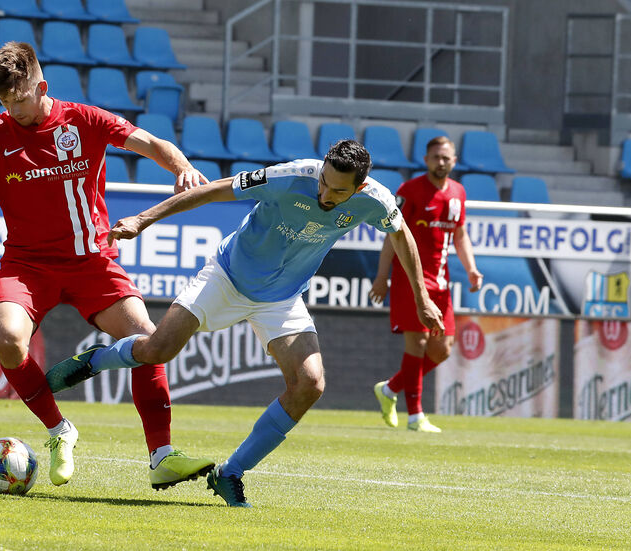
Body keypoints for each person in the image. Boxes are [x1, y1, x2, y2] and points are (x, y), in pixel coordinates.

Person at [44, 140, 444, 507]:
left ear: (359, 187)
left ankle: (230, 473)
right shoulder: (291, 176)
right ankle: (93, 361)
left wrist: (422, 297)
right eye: (324, 182)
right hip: (227, 277)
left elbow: (402, 235)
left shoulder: (376, 200)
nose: (325, 195)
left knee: (310, 384)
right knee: (156, 349)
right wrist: (143, 219)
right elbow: (215, 189)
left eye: (338, 192)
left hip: (282, 298)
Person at [0, 42, 214, 490]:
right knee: (7, 338)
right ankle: (59, 430)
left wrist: (181, 166)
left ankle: (162, 456)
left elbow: (151, 143)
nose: (12, 111)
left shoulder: (85, 120)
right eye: (4, 102)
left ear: (41, 87)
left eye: (19, 99)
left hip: (92, 262)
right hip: (28, 266)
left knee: (149, 339)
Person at [369, 136, 482, 433]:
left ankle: (390, 389)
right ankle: (415, 416)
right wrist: (382, 276)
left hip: (441, 282)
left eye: (446, 158)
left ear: (454, 161)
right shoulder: (410, 190)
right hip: (410, 278)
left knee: (442, 349)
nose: (440, 162)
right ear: (426, 160)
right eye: (435, 157)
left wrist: (471, 269)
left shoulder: (458, 192)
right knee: (417, 342)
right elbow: (392, 234)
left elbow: (460, 235)